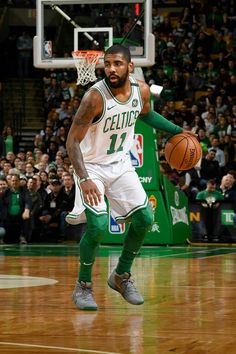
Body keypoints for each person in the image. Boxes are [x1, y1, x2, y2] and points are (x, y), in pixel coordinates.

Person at [66, 44, 196, 311]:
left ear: (130, 67)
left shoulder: (142, 90)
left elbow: (147, 114)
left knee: (145, 219)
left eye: (118, 64)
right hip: (91, 167)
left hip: (121, 165)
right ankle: (83, 286)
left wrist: (177, 131)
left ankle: (121, 276)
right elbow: (71, 142)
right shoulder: (94, 98)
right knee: (98, 225)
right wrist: (84, 178)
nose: (111, 69)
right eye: (108, 64)